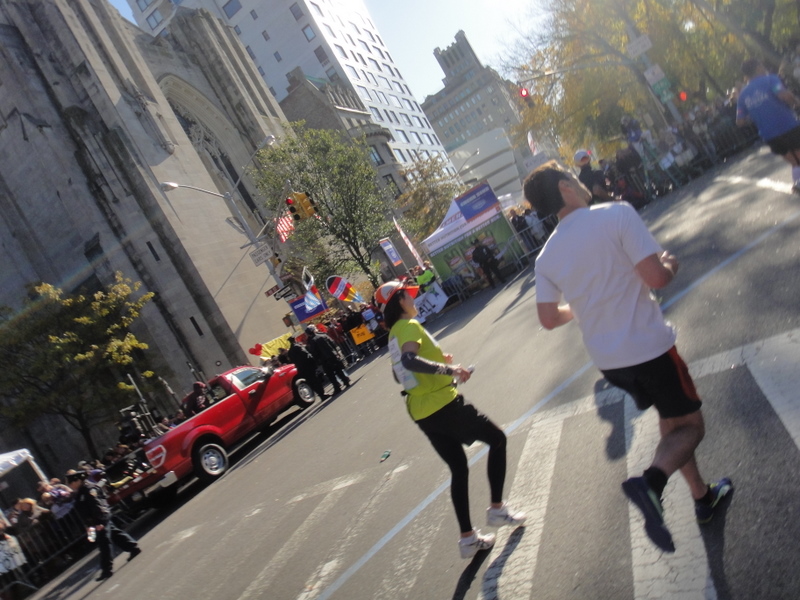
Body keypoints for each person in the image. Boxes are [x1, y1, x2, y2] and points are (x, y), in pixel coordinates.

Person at [523, 164, 732, 553]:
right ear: (567, 187)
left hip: (611, 362)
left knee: (670, 421)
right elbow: (656, 278)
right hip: (649, 347)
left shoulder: (547, 255)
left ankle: (703, 497)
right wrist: (670, 263)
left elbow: (548, 318)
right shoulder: (616, 214)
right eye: (576, 178)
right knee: (690, 427)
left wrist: (580, 309)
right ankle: (650, 483)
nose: (584, 184)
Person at [376, 280, 525, 559]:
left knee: (458, 468)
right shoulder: (409, 327)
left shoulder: (393, 334)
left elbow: (400, 374)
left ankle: (467, 539)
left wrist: (435, 359)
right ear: (399, 302)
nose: (413, 298)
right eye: (408, 295)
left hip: (422, 413)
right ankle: (496, 509)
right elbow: (409, 362)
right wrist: (450, 369)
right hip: (443, 405)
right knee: (497, 439)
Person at [736, 58, 800, 193]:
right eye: (761, 65)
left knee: (795, 163)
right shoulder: (771, 79)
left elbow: (740, 121)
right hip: (788, 126)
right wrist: (796, 102)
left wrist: (757, 115)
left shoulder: (743, 95)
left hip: (769, 135)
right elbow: (783, 95)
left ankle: (798, 183)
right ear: (758, 67)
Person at [66, 469, 140, 580]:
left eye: (71, 483)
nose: (70, 486)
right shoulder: (81, 492)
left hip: (100, 519)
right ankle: (133, 547)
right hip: (97, 520)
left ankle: (107, 570)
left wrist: (99, 522)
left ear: (77, 481)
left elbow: (96, 506)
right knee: (115, 534)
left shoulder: (88, 490)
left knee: (104, 544)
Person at [305, 326, 351, 394]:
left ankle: (337, 387)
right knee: (338, 370)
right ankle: (346, 382)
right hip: (332, 355)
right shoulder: (323, 335)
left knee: (330, 374)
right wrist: (336, 352)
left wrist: (317, 360)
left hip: (324, 359)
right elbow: (332, 343)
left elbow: (314, 352)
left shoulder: (312, 341)